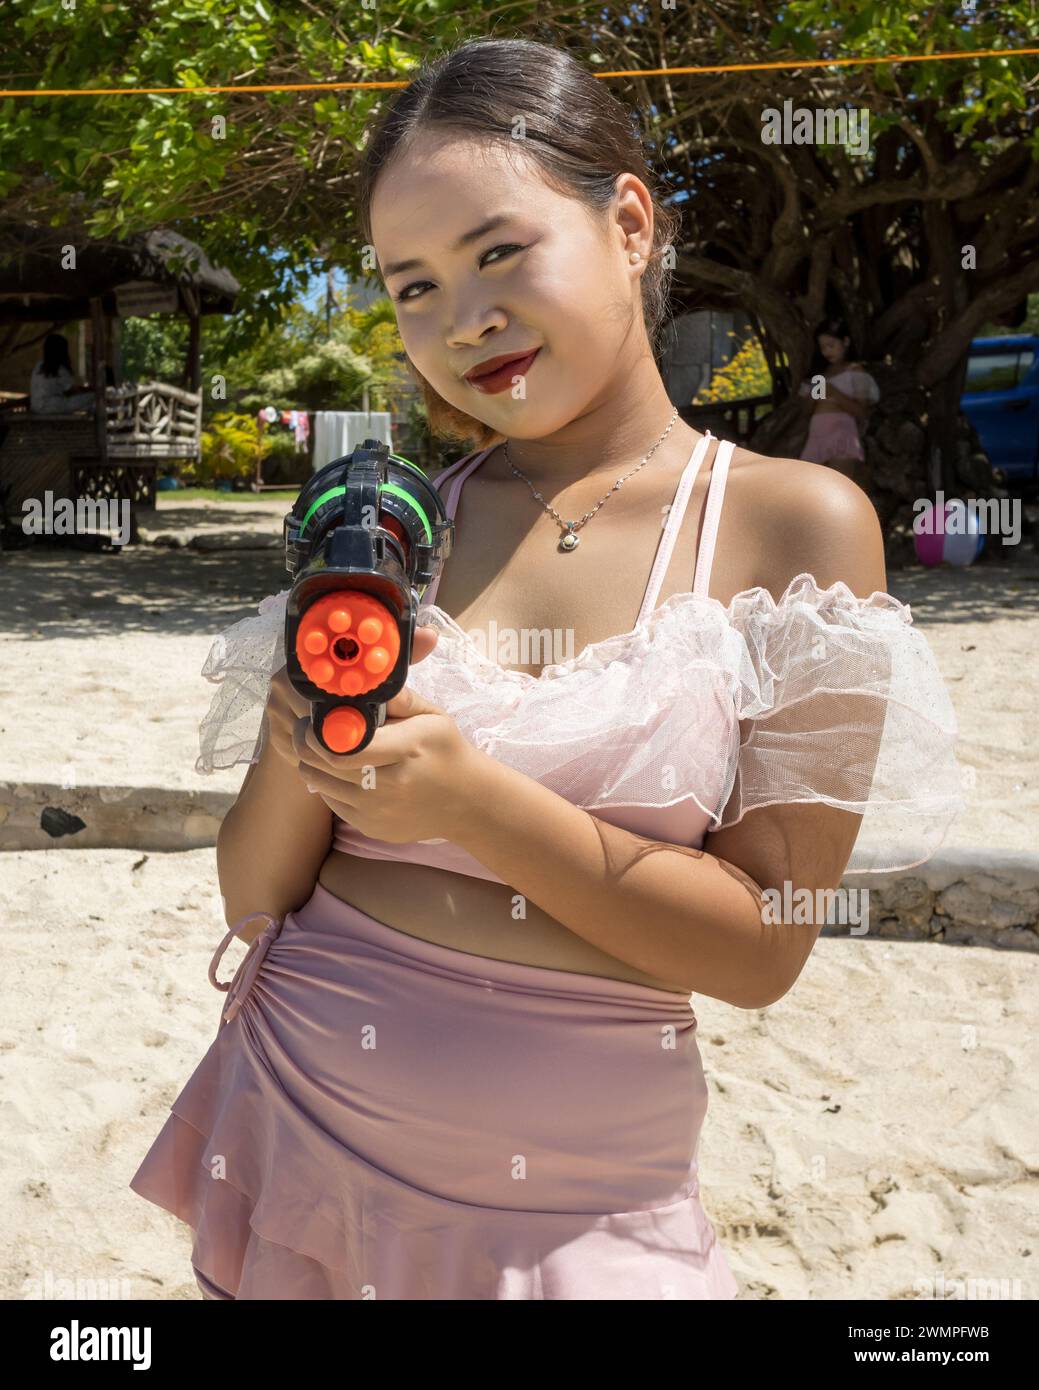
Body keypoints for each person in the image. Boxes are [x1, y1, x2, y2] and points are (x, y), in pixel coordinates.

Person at [129, 38, 966, 1301]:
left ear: (627, 222)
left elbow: (760, 950)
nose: (462, 321)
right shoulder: (400, 518)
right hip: (294, 1129)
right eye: (411, 287)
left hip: (581, 1212)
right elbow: (253, 892)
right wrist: (319, 729)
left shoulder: (794, 525)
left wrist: (475, 803)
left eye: (498, 252)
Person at [796, 319, 880, 483]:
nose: (827, 351)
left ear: (845, 341)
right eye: (823, 348)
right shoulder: (819, 374)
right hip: (816, 434)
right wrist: (813, 396)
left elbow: (862, 411)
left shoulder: (855, 371)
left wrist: (834, 394)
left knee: (839, 486)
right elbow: (805, 412)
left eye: (831, 345)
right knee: (812, 489)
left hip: (841, 433)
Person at [29, 333, 96, 415]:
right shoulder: (60, 369)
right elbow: (72, 391)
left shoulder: (38, 366)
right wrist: (90, 390)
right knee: (94, 397)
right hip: (53, 407)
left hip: (36, 408)